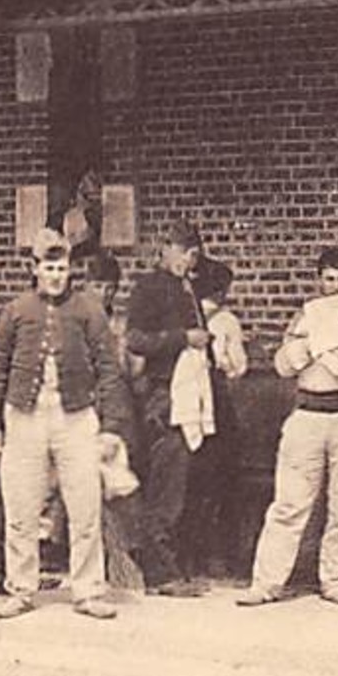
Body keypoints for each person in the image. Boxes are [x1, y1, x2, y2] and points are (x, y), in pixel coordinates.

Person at [0, 229, 130, 620]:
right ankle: (20, 588)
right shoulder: (16, 310)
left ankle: (89, 590)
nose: (56, 275)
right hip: (24, 416)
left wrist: (111, 426)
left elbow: (109, 370)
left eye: (62, 268)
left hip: (75, 416)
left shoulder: (88, 311)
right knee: (21, 505)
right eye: (49, 267)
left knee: (84, 505)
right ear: (35, 269)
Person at [238, 248, 338, 607]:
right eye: (329, 278)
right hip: (308, 413)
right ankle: (266, 582)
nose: (336, 286)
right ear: (319, 281)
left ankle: (337, 580)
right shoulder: (305, 317)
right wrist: (308, 344)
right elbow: (282, 366)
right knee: (290, 502)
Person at [124, 220, 212, 597]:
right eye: (183, 253)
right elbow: (135, 339)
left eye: (192, 256)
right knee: (166, 481)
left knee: (179, 481)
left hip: (189, 393)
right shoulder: (150, 287)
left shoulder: (185, 288)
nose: (187, 262)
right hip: (163, 395)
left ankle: (170, 562)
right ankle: (159, 571)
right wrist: (182, 338)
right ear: (166, 249)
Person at [179, 258, 247, 577]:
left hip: (187, 403)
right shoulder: (227, 321)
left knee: (193, 480)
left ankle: (188, 555)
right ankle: (222, 555)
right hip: (217, 404)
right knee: (225, 480)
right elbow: (237, 366)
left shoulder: (183, 319)